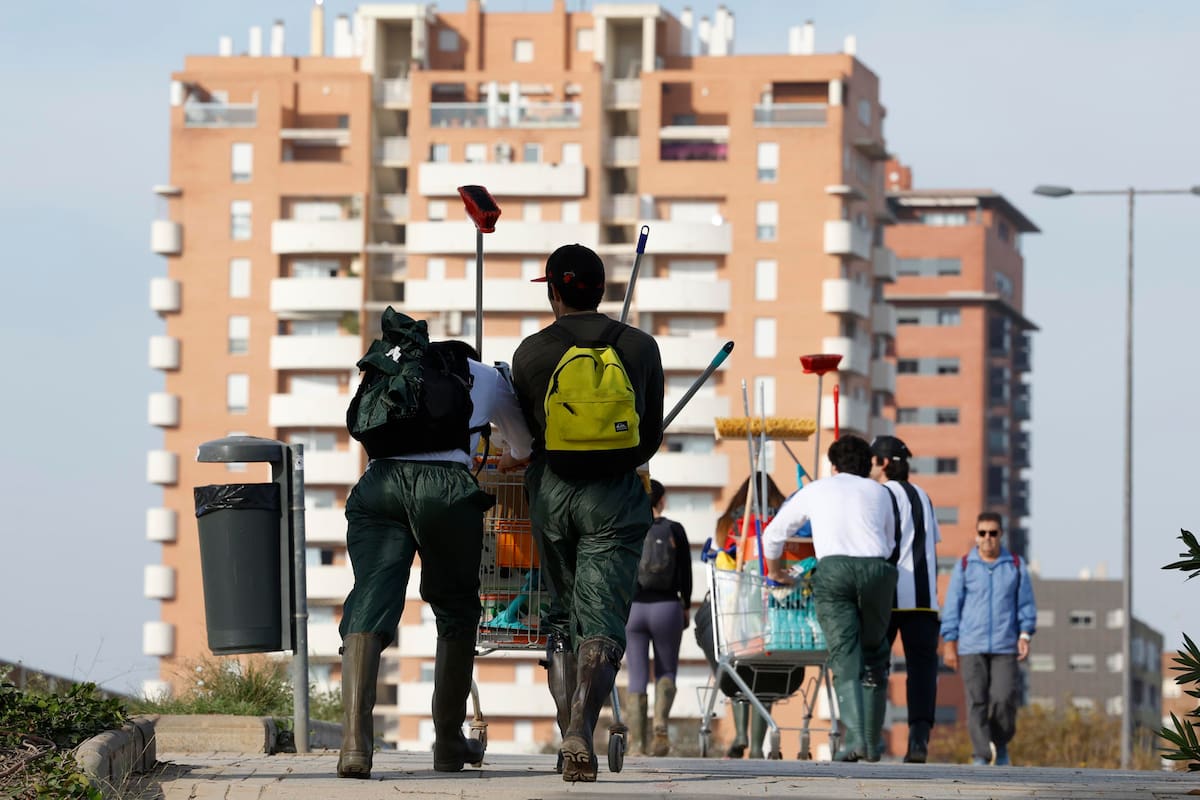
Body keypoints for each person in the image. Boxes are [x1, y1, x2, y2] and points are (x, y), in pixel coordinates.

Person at [337, 336, 533, 779]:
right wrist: (505, 459)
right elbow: (523, 446)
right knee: (456, 607)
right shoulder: (484, 377)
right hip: (445, 489)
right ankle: (447, 742)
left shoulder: (390, 367)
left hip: (379, 484)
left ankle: (354, 745)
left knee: (369, 600)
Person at [511, 243, 665, 782]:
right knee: (600, 618)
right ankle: (581, 726)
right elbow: (650, 440)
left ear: (554, 291)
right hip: (614, 499)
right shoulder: (640, 348)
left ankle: (568, 730)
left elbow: (530, 435)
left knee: (561, 613)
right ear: (602, 290)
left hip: (551, 494)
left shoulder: (531, 353)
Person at [762, 435, 898, 762]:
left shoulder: (816, 489)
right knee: (875, 653)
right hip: (878, 571)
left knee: (844, 653)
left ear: (833, 466)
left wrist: (778, 572)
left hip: (834, 571)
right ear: (868, 466)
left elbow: (772, 535)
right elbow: (891, 541)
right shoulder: (881, 492)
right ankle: (872, 742)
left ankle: (856, 742)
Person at [693, 472, 794, 759]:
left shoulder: (727, 522)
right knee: (768, 671)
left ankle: (739, 735)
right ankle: (760, 747)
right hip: (775, 603)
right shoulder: (785, 519)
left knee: (734, 662)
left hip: (735, 605)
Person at [941, 512, 1037, 766]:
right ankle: (982, 754)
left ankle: (1001, 743)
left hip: (1005, 645)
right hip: (972, 645)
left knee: (1003, 699)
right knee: (977, 702)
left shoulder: (1015, 565)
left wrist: (1025, 634)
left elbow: (1025, 604)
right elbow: (952, 606)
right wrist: (949, 642)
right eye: (982, 533)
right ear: (976, 535)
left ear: (1001, 535)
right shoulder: (964, 566)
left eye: (993, 533)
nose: (987, 538)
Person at [870, 435, 941, 763]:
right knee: (922, 669)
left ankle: (869, 735)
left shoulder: (879, 494)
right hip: (924, 599)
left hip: (887, 595)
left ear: (883, 463)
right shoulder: (923, 496)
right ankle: (919, 738)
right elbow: (932, 541)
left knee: (875, 665)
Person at [623, 479, 692, 757]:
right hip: (667, 608)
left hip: (634, 610)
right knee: (666, 670)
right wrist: (685, 605)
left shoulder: (628, 527)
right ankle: (661, 728)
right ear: (661, 501)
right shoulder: (674, 529)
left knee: (637, 677)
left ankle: (637, 744)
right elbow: (685, 572)